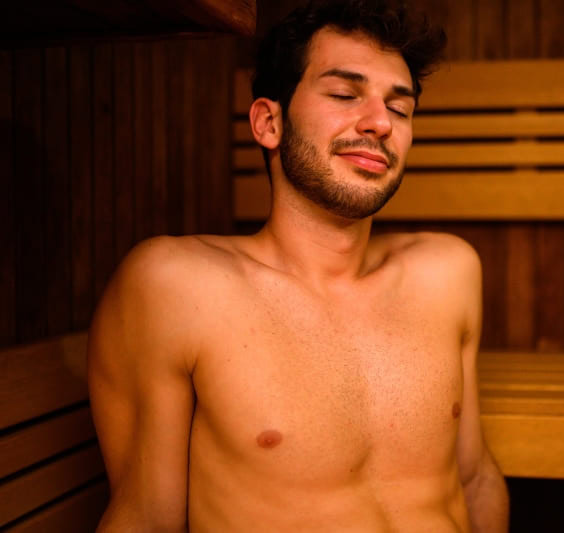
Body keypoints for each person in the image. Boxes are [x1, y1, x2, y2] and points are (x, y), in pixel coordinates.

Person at [87, 0, 509, 530]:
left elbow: (474, 479)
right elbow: (147, 518)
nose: (380, 122)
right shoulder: (179, 286)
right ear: (269, 121)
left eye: (400, 109)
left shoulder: (446, 272)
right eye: (344, 94)